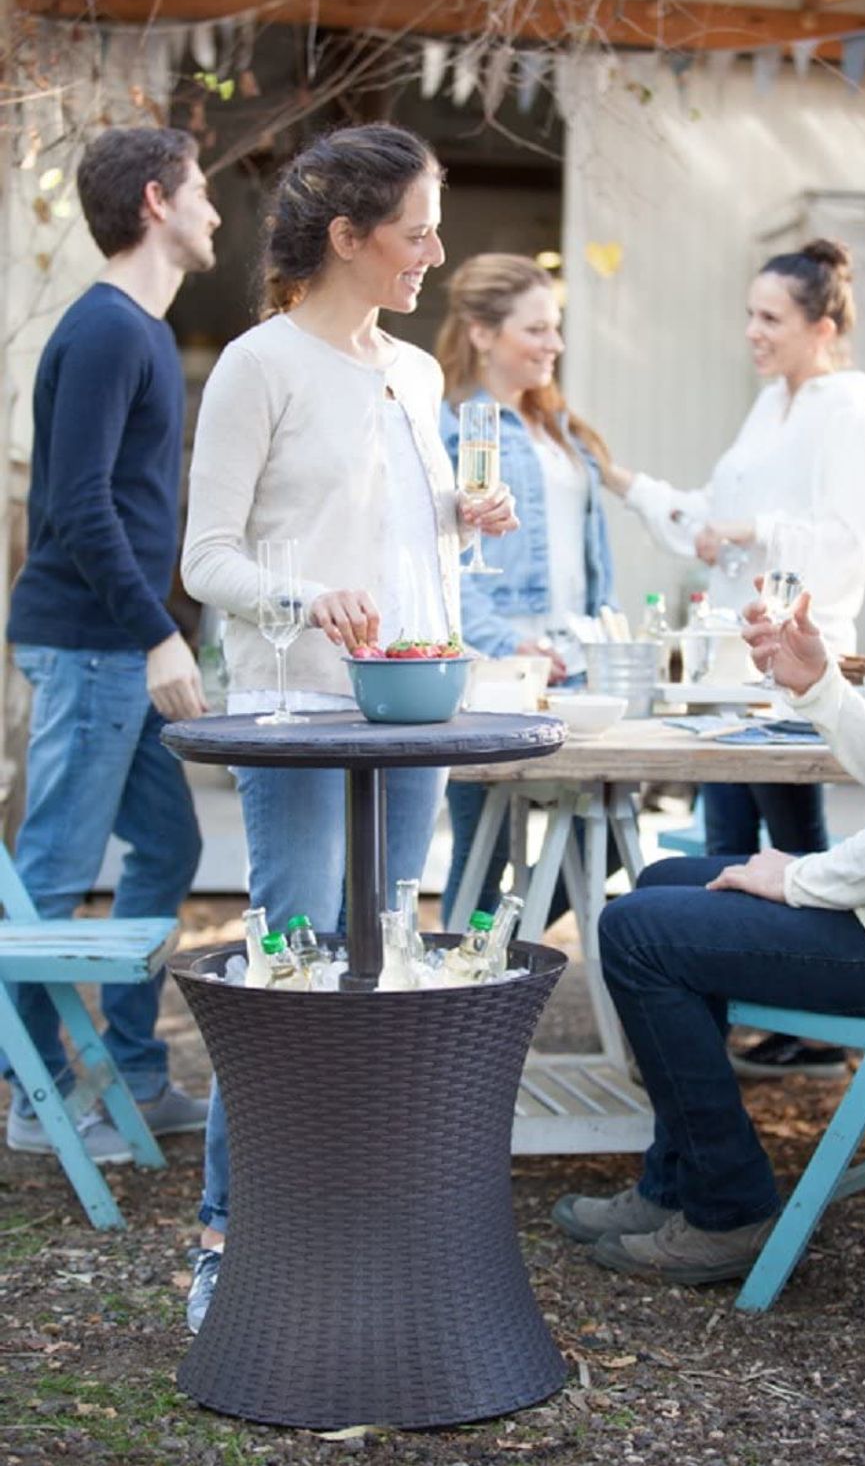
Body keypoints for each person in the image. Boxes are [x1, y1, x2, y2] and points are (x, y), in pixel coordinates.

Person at [551, 332, 865, 1285]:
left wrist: (810, 879)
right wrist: (819, 685)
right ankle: (675, 1181)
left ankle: (730, 1206)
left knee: (635, 933)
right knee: (661, 883)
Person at [180, 125, 516, 1333]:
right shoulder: (258, 365)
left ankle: (357, 1224)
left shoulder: (416, 374)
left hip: (415, 708)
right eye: (416, 230)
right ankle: (228, 1238)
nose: (435, 251)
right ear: (346, 236)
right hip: (298, 712)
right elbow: (206, 558)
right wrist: (302, 596)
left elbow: (389, 533)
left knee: (388, 957)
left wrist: (462, 519)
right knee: (291, 964)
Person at [604, 239, 865, 1079]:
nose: (752, 332)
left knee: (787, 834)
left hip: (798, 665)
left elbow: (853, 546)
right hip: (733, 665)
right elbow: (714, 516)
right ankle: (714, 1016)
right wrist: (628, 483)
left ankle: (804, 1020)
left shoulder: (848, 418)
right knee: (732, 832)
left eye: (770, 318)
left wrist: (753, 531)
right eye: (749, 315)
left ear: (822, 328)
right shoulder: (770, 406)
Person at [2, 127, 220, 1162]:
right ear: (155, 202)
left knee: (169, 846)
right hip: (94, 644)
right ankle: (33, 1095)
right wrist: (157, 635)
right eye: (200, 190)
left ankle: (133, 1073)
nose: (214, 210)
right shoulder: (105, 332)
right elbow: (78, 507)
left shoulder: (139, 332)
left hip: (114, 646)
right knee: (54, 870)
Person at [435, 254, 617, 925]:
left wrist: (607, 636)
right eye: (536, 329)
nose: (554, 344)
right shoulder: (452, 427)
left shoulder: (558, 426)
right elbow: (441, 563)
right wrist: (506, 641)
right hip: (495, 670)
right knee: (481, 848)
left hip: (575, 662)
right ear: (482, 333)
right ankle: (465, 979)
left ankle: (503, 943)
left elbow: (592, 556)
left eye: (555, 327)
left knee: (605, 822)